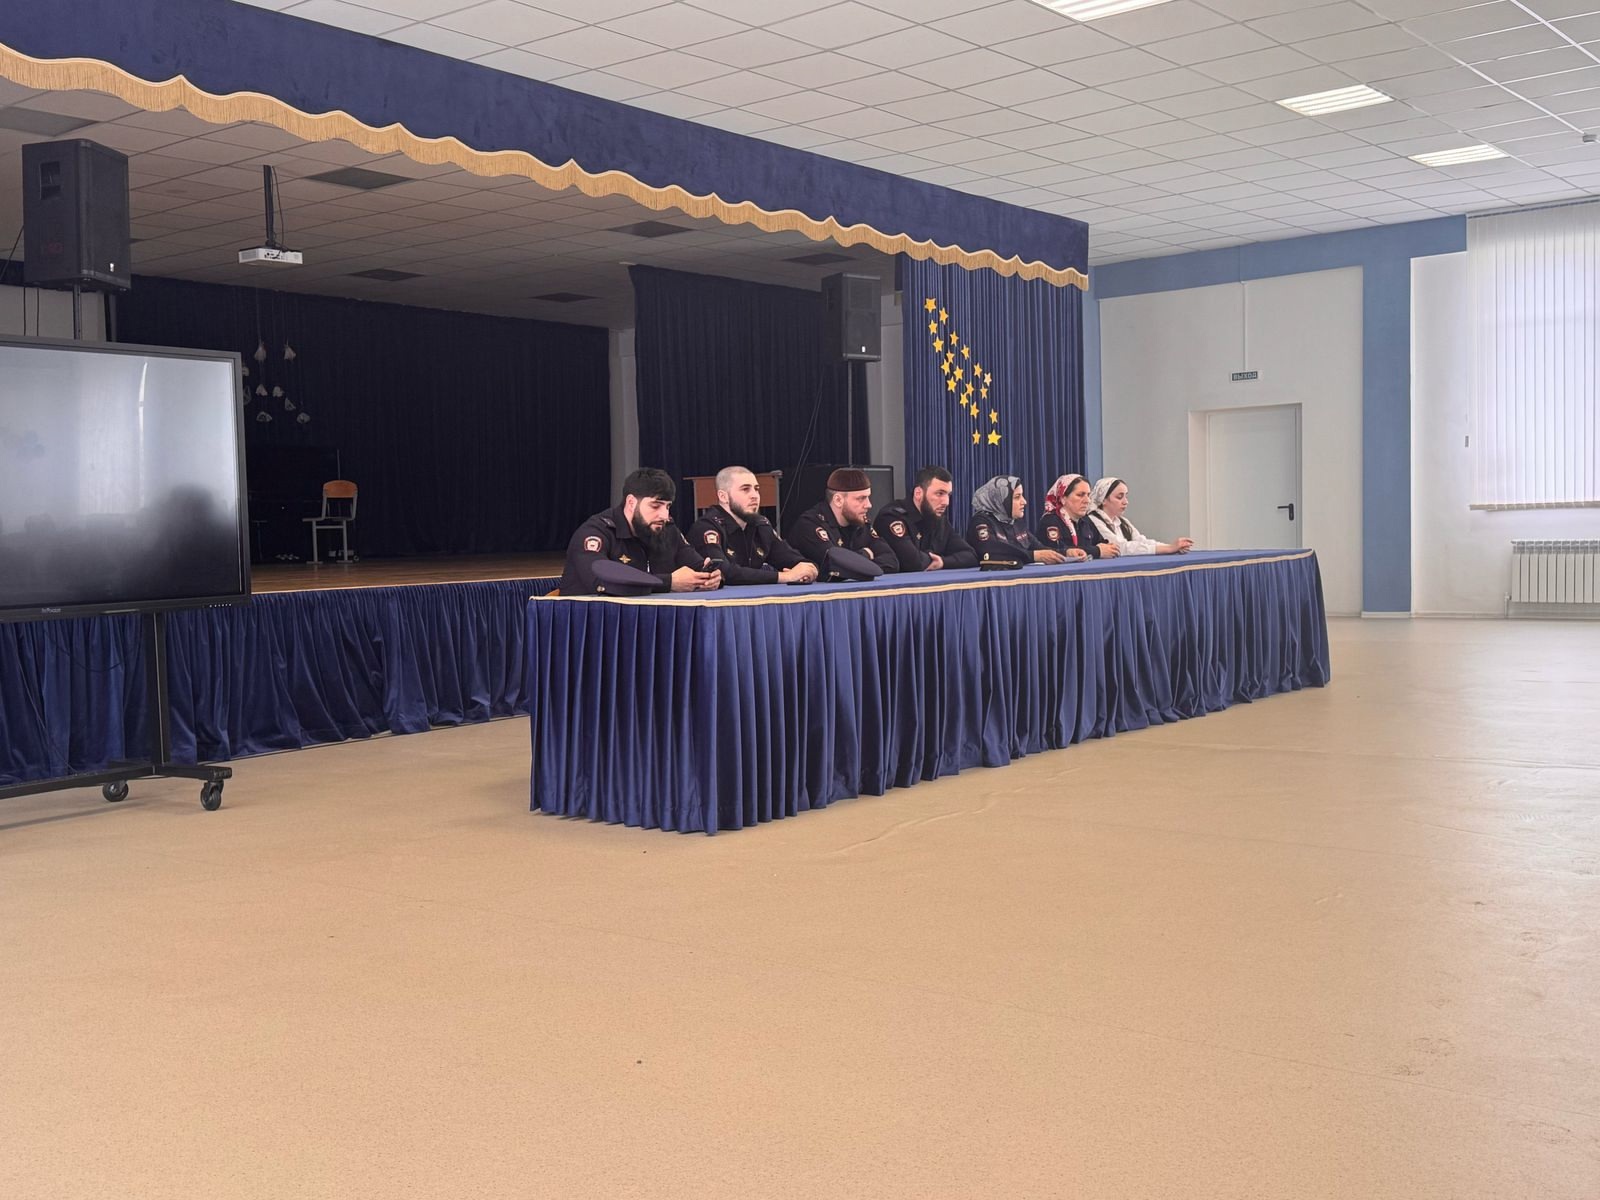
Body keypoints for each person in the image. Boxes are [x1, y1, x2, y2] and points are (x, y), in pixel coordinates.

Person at [558, 467, 722, 596]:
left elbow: (697, 564)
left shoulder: (667, 530)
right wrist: (668, 583)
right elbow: (602, 580)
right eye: (655, 506)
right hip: (593, 621)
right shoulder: (596, 532)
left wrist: (710, 577)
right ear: (631, 503)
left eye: (667, 506)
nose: (664, 516)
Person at [687, 466, 818, 585]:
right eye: (745, 489)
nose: (754, 496)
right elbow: (725, 572)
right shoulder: (707, 527)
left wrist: (808, 570)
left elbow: (791, 558)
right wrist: (784, 577)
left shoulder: (761, 526)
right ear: (723, 497)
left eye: (756, 489)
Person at [787, 467, 899, 581]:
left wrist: (858, 564)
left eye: (868, 497)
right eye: (861, 499)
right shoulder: (810, 525)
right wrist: (866, 554)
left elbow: (891, 561)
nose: (869, 505)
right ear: (838, 500)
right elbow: (836, 566)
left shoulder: (861, 523)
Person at [872, 466, 978, 571]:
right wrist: (931, 557)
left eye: (948, 495)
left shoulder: (939, 519)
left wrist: (942, 562)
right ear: (918, 493)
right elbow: (914, 563)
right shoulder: (891, 517)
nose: (946, 502)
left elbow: (971, 556)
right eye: (939, 494)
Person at [966, 475, 1068, 565]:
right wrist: (1033, 556)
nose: (1024, 502)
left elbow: (1038, 548)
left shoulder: (1016, 522)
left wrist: (1066, 553)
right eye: (1017, 497)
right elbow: (991, 550)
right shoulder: (981, 521)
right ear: (1000, 500)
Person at [1087, 477, 1194, 556]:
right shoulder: (1093, 520)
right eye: (1119, 497)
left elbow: (1141, 541)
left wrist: (1170, 547)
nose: (1125, 502)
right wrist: (1168, 548)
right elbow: (1120, 547)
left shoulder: (1123, 521)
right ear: (1103, 500)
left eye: (1126, 496)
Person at [1036, 473, 1106, 560]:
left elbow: (1102, 544)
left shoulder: (1085, 520)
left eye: (1088, 495)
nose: (1087, 500)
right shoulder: (1050, 521)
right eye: (1080, 495)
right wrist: (1097, 551)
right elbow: (1059, 551)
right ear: (1063, 498)